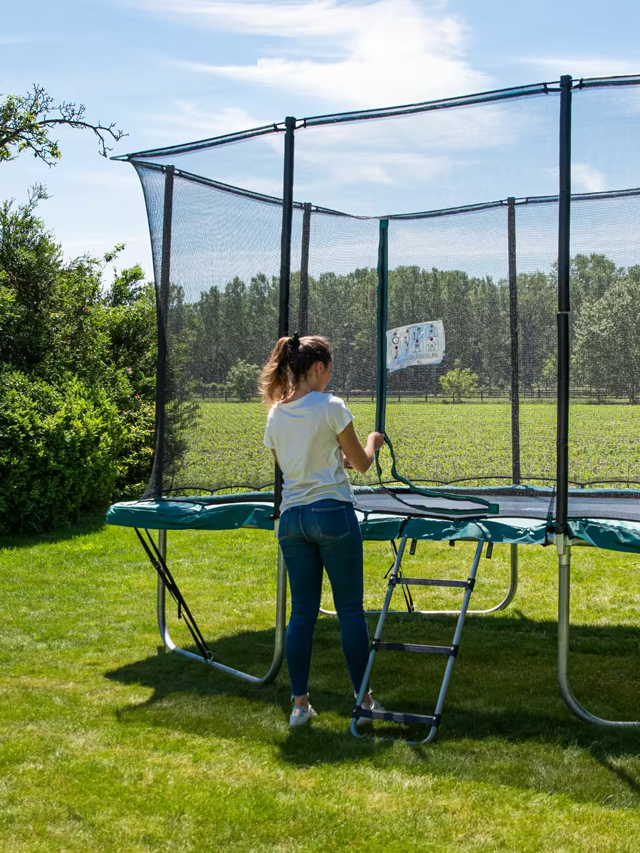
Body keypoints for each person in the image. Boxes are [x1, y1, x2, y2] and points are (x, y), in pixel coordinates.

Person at [260, 332, 385, 727]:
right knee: (349, 610)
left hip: (292, 519)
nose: (330, 377)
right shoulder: (332, 406)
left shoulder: (275, 413)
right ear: (318, 368)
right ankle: (363, 702)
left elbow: (291, 465)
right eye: (329, 370)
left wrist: (334, 458)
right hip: (332, 514)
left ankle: (299, 706)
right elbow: (361, 464)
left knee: (302, 614)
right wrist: (372, 442)